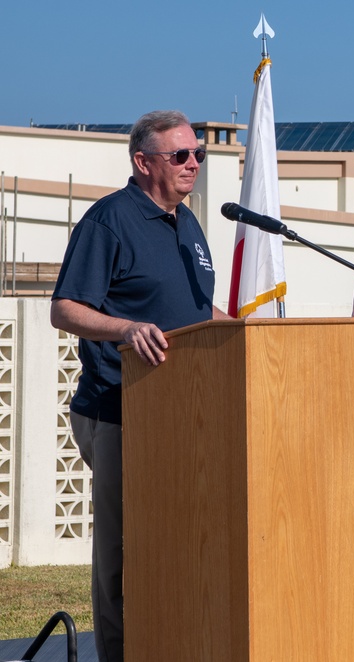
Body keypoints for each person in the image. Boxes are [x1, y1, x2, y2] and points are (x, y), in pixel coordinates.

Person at [50, 110, 230, 662]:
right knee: (123, 555)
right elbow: (64, 308)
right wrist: (126, 328)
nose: (194, 163)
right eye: (181, 155)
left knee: (178, 546)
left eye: (198, 153)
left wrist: (248, 333)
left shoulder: (189, 225)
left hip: (188, 413)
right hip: (122, 410)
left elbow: (194, 311)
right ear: (143, 160)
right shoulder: (109, 222)